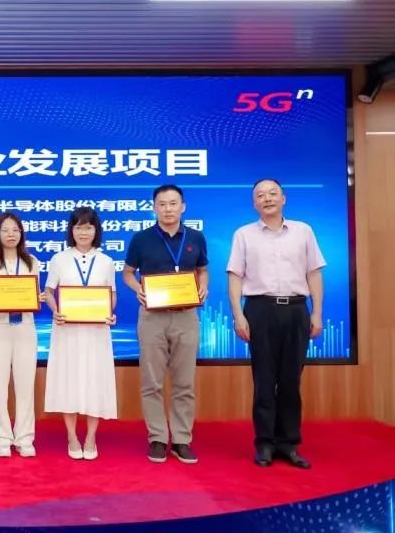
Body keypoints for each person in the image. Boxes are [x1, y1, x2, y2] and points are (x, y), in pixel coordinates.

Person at [227, 179, 324, 469]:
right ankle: (265, 443)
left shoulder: (303, 231)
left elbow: (314, 273)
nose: (267, 198)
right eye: (260, 195)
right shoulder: (244, 234)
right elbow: (235, 276)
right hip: (260, 310)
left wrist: (317, 313)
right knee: (265, 380)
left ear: (284, 198)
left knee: (292, 380)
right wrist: (238, 315)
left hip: (296, 309)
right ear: (254, 203)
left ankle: (289, 443)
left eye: (272, 194)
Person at [123, 184, 208, 465]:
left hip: (186, 316)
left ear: (183, 207)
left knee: (184, 382)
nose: (168, 209)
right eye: (162, 204)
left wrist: (203, 286)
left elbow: (202, 270)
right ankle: (157, 437)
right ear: (154, 208)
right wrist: (137, 289)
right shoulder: (141, 239)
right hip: (152, 317)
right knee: (152, 381)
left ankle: (182, 439)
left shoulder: (196, 237)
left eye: (173, 203)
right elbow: (128, 273)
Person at [43, 207, 118, 460]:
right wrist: (55, 311)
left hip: (97, 331)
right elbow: (49, 291)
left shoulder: (106, 261)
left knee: (95, 381)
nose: (83, 232)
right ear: (71, 230)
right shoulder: (59, 259)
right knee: (69, 381)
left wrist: (110, 313)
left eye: (88, 227)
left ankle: (91, 437)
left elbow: (112, 294)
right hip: (67, 330)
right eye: (78, 227)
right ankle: (72, 436)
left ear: (96, 230)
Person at [0, 212, 44, 458]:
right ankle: (2, 438)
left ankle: (25, 437)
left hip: (25, 327)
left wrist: (36, 299)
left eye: (15, 230)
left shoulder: (31, 262)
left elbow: (34, 294)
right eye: (5, 230)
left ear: (21, 233)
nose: (11, 234)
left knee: (25, 385)